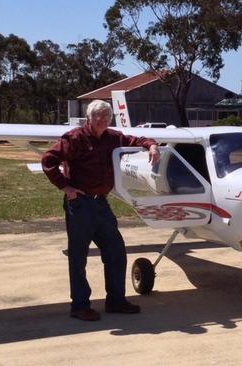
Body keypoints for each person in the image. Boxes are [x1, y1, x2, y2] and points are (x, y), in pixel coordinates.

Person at [41, 99, 160, 321]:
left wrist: (151, 145)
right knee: (78, 257)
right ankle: (80, 305)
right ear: (89, 118)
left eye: (107, 117)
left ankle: (116, 301)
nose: (104, 121)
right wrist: (65, 187)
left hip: (101, 203)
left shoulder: (112, 137)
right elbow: (48, 160)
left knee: (116, 251)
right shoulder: (74, 138)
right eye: (100, 117)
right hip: (80, 204)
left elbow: (135, 138)